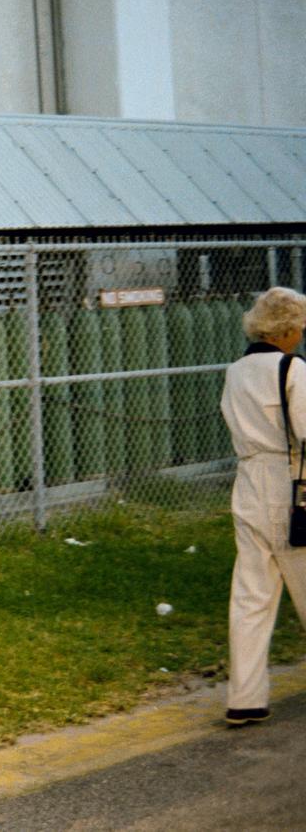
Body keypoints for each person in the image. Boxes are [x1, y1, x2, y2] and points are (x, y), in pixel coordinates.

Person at [219, 286, 306, 727]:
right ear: (288, 329)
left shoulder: (235, 371)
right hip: (290, 483)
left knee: (251, 596)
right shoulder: (293, 370)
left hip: (248, 480)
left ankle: (245, 698)